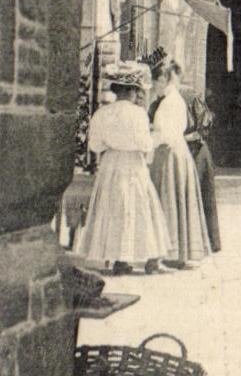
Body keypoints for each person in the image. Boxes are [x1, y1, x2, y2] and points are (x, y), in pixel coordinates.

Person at [73, 62, 171, 275]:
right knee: (140, 208)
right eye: (137, 90)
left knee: (114, 210)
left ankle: (120, 259)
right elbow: (145, 144)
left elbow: (95, 145)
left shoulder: (102, 114)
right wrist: (158, 137)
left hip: (111, 165)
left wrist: (113, 142)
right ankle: (150, 260)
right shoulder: (137, 114)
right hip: (132, 166)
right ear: (132, 91)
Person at [150, 60, 211, 267]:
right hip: (175, 152)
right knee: (175, 200)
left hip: (170, 153)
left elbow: (166, 133)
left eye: (156, 81)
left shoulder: (171, 101)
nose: (154, 86)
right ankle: (176, 251)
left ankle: (173, 252)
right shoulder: (171, 99)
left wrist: (149, 137)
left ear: (164, 79)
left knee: (170, 199)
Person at [183, 87, 220, 252]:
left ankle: (203, 243)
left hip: (196, 151)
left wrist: (181, 138)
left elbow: (202, 129)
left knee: (196, 194)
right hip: (188, 150)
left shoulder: (189, 97)